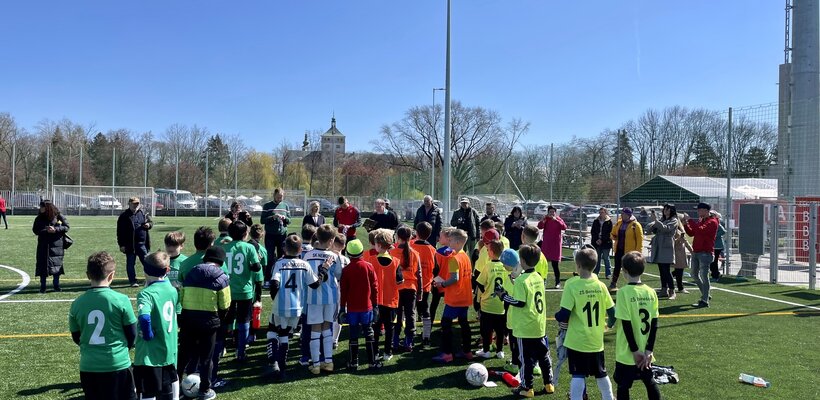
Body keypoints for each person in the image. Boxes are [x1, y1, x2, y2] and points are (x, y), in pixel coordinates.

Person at [69, 251, 138, 400]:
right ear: (112, 275)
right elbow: (132, 334)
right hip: (117, 363)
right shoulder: (121, 300)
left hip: (88, 365)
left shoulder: (77, 304)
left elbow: (76, 336)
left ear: (88, 275)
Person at [555, 247, 616, 400]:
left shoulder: (572, 285)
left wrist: (557, 316)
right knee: (601, 373)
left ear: (578, 265)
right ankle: (608, 397)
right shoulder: (601, 286)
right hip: (596, 340)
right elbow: (613, 314)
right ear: (595, 265)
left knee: (578, 374)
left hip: (577, 341)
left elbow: (564, 315)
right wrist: (607, 326)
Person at [496, 245, 555, 397]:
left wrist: (503, 295)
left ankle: (527, 387)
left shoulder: (522, 280)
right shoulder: (539, 278)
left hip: (525, 327)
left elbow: (519, 302)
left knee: (525, 359)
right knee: (543, 356)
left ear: (521, 261)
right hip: (539, 326)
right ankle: (549, 384)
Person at [268, 235, 325, 379]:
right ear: (300, 250)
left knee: (274, 329)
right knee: (285, 335)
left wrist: (274, 298)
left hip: (280, 305)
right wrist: (323, 272)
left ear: (284, 248)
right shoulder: (304, 264)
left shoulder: (280, 263)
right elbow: (315, 284)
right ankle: (282, 368)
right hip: (297, 307)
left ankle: (275, 363)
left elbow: (274, 284)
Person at [177, 246, 231, 400]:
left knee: (184, 355)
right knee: (207, 358)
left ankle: (175, 385)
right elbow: (225, 304)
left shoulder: (192, 271)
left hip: (188, 320)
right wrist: (218, 318)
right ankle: (205, 390)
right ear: (220, 262)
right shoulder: (222, 277)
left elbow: (182, 295)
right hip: (209, 322)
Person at [613, 251, 661, 400]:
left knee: (623, 385)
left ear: (624, 271)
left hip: (628, 352)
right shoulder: (651, 292)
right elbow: (654, 325)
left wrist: (634, 351)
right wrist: (648, 350)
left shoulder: (623, 292)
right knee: (649, 381)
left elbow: (626, 325)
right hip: (645, 351)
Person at [134, 251, 180, 400]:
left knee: (148, 390)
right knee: (170, 382)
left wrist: (147, 334)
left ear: (145, 270)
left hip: (150, 353)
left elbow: (144, 316)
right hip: (169, 347)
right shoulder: (172, 290)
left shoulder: (146, 293)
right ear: (167, 270)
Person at [303, 224, 343, 374]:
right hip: (330, 297)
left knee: (315, 329)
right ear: (332, 240)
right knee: (327, 328)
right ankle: (328, 362)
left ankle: (316, 364)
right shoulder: (334, 256)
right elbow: (339, 275)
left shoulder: (307, 255)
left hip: (313, 298)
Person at [223, 220, 263, 362]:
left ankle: (222, 347)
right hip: (244, 290)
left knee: (225, 320)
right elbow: (257, 267)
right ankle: (241, 351)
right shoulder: (249, 248)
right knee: (244, 320)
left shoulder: (224, 247)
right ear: (245, 233)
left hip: (226, 290)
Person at [432, 228, 473, 363]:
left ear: (456, 242)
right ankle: (467, 351)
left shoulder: (454, 259)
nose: (448, 243)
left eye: (450, 240)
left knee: (446, 324)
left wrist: (442, 284)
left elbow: (454, 278)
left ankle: (447, 353)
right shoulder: (466, 257)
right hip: (465, 297)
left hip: (455, 298)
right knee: (464, 324)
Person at [339, 239, 382, 370]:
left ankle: (353, 362)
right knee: (369, 333)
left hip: (352, 308)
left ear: (348, 253)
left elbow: (343, 291)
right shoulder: (368, 266)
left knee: (353, 334)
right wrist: (375, 305)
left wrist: (342, 308)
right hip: (366, 307)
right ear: (362, 252)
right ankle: (372, 361)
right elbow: (375, 288)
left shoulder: (346, 270)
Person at [475, 240, 512, 360]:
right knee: (500, 330)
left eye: (488, 250)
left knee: (486, 330)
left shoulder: (488, 266)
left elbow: (480, 282)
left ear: (491, 252)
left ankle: (486, 350)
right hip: (501, 305)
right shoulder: (506, 267)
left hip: (487, 304)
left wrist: (486, 290)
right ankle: (500, 350)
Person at [391, 226, 422, 352]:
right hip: (411, 288)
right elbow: (419, 274)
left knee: (397, 315)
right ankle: (409, 341)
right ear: (410, 238)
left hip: (397, 288)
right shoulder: (415, 253)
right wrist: (420, 292)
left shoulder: (392, 253)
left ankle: (395, 340)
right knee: (410, 315)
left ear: (398, 238)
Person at [682, 203, 719, 308]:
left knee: (704, 276)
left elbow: (700, 230)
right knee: (694, 274)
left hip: (705, 253)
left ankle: (705, 300)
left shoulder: (713, 222)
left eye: (699, 210)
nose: (698, 212)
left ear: (706, 210)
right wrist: (685, 224)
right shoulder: (701, 220)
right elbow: (692, 233)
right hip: (696, 252)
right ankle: (706, 294)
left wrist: (689, 220)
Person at [33, 200, 69, 293]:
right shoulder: (39, 218)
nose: (40, 209)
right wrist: (46, 230)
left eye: (42, 207)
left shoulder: (58, 216)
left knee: (56, 266)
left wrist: (56, 229)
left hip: (56, 245)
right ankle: (43, 286)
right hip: (43, 245)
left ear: (47, 208)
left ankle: (56, 285)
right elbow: (35, 230)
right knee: (42, 266)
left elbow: (66, 227)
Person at [410, 222, 436, 348]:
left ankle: (411, 334)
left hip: (412, 285)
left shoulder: (410, 246)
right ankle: (427, 336)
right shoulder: (432, 250)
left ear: (416, 233)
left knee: (411, 310)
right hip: (426, 285)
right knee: (425, 309)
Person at [117, 197, 154, 287]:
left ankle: (151, 280)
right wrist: (121, 245)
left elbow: (151, 222)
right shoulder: (124, 216)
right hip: (130, 245)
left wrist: (148, 225)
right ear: (129, 204)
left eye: (137, 203)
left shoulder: (143, 213)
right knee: (130, 264)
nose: (135, 205)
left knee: (147, 263)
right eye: (133, 203)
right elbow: (119, 232)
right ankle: (133, 281)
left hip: (142, 244)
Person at [646, 204, 679, 300]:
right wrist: (653, 222)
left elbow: (666, 229)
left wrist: (656, 221)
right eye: (664, 209)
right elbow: (652, 229)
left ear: (672, 210)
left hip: (666, 246)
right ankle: (664, 289)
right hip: (659, 246)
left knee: (666, 270)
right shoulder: (662, 219)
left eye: (667, 209)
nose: (665, 210)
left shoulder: (674, 220)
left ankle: (672, 291)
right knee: (661, 270)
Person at [261, 188, 291, 284]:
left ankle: (280, 278)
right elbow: (262, 220)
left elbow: (289, 220)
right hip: (270, 235)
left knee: (282, 256)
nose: (280, 199)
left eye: (281, 197)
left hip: (282, 235)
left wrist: (285, 218)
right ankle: (267, 279)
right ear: (274, 195)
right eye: (278, 197)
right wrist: (272, 217)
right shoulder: (267, 206)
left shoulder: (285, 206)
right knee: (269, 257)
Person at [609, 208, 644, 291]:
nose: (622, 215)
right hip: (619, 249)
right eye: (622, 213)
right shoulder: (619, 223)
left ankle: (634, 284)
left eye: (624, 213)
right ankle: (613, 284)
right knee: (617, 267)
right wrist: (613, 236)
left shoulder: (636, 225)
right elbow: (613, 233)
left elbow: (640, 239)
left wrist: (638, 253)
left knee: (631, 268)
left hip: (630, 252)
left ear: (628, 215)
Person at [537, 205, 567, 289]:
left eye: (553, 212)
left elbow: (564, 227)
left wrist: (556, 220)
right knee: (543, 264)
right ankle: (542, 280)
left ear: (555, 213)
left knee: (555, 265)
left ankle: (557, 282)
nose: (552, 213)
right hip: (546, 245)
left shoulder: (558, 219)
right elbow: (539, 226)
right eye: (550, 212)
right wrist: (543, 220)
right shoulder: (546, 219)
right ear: (548, 212)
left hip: (555, 246)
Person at [590, 207, 613, 278]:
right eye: (600, 212)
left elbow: (610, 233)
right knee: (597, 258)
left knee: (606, 258)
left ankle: (608, 273)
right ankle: (596, 273)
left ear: (606, 213)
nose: (600, 214)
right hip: (596, 243)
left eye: (602, 212)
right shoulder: (596, 221)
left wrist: (602, 240)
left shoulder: (609, 221)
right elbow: (593, 232)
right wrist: (597, 239)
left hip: (606, 243)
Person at [673, 215, 692, 294]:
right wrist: (679, 239)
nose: (685, 222)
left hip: (681, 252)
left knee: (679, 271)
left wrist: (691, 250)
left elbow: (685, 241)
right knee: (679, 271)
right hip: (677, 252)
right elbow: (673, 242)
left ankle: (678, 286)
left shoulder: (681, 230)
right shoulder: (675, 230)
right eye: (683, 220)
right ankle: (680, 287)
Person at [710, 211, 726, 282]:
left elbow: (723, 231)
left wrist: (715, 236)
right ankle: (715, 274)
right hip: (712, 245)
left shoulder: (717, 223)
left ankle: (715, 276)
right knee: (711, 261)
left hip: (717, 245)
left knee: (714, 261)